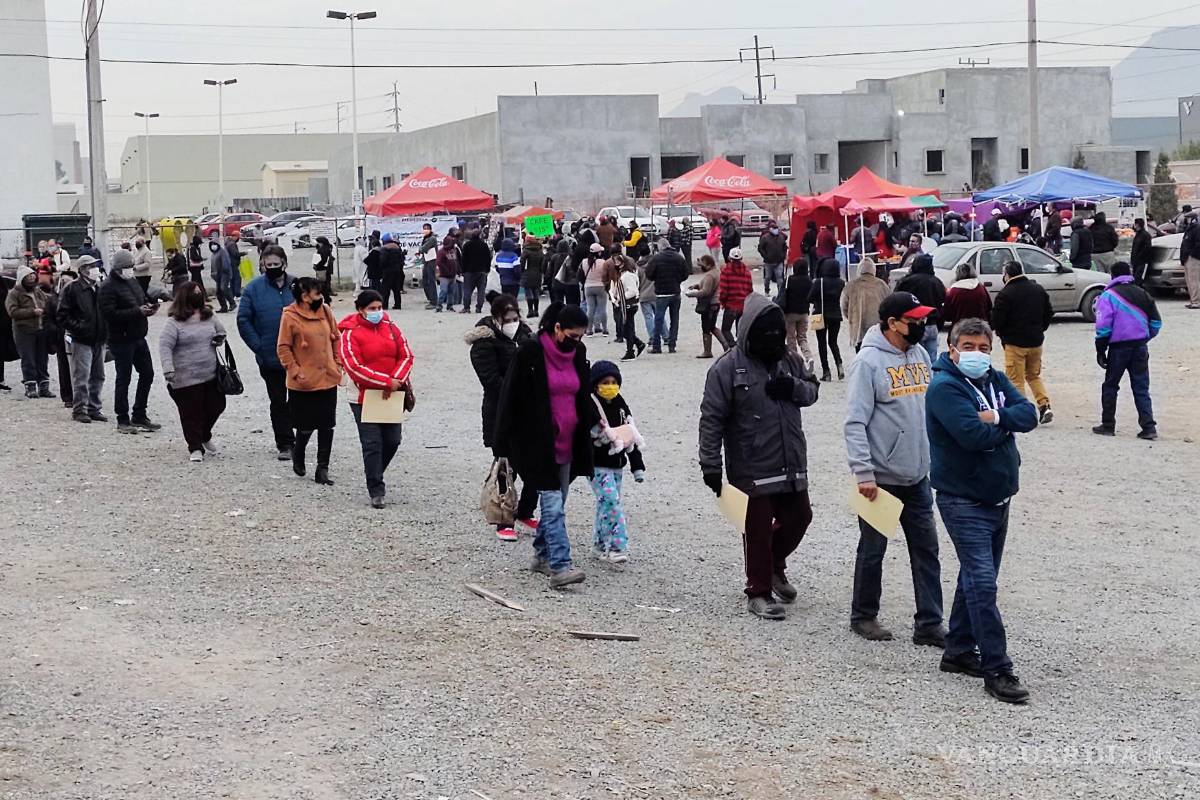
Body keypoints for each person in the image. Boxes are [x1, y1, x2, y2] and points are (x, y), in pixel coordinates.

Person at [927, 318, 1038, 704]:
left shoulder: (993, 378)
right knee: (983, 583)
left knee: (975, 578)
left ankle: (958, 649)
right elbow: (971, 436)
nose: (977, 354)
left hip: (998, 497)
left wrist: (996, 418)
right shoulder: (944, 387)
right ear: (953, 349)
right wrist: (1007, 424)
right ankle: (998, 668)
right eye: (969, 347)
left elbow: (1029, 414)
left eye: (984, 348)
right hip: (964, 500)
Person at [699, 293, 820, 620]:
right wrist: (711, 465)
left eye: (777, 334)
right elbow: (711, 419)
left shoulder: (789, 359)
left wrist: (793, 388)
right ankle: (759, 591)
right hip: (751, 464)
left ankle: (774, 564)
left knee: (800, 517)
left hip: (790, 459)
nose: (772, 340)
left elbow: (812, 391)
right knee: (757, 530)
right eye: (765, 334)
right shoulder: (726, 368)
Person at [845, 292, 944, 645]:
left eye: (923, 319)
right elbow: (855, 421)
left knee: (926, 549)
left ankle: (930, 623)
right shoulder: (867, 362)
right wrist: (863, 472)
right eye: (914, 320)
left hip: (917, 475)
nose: (922, 325)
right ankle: (863, 615)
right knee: (873, 550)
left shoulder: (920, 355)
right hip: (881, 478)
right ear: (892, 323)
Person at [493, 303, 594, 588]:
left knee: (556, 505)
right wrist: (501, 444)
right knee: (552, 504)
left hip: (568, 442)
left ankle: (541, 556)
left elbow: (583, 395)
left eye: (580, 337)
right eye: (572, 336)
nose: (576, 341)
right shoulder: (530, 352)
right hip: (535, 443)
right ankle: (560, 567)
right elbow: (509, 396)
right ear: (557, 328)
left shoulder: (578, 353)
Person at [467, 292, 539, 539]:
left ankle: (526, 511)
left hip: (529, 412)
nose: (512, 323)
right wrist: (519, 392)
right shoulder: (483, 343)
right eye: (507, 320)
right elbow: (491, 381)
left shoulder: (526, 336)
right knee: (505, 466)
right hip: (500, 412)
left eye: (515, 318)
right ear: (496, 318)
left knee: (535, 465)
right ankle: (503, 519)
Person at [338, 289, 414, 507]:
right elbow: (354, 366)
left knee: (392, 440)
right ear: (361, 310)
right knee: (372, 442)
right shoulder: (349, 334)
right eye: (372, 308)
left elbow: (406, 355)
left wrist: (396, 380)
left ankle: (374, 472)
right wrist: (385, 382)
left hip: (391, 393)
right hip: (363, 396)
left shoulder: (391, 327)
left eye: (379, 307)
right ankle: (376, 489)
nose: (377, 312)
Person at [277, 276, 342, 485]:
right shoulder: (290, 316)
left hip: (328, 377)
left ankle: (322, 469)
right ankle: (299, 451)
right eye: (317, 293)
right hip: (304, 381)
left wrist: (337, 363)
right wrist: (295, 371)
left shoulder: (326, 311)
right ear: (305, 297)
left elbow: (336, 337)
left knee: (327, 425)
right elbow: (283, 347)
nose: (321, 297)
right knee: (305, 425)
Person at [237, 245, 295, 460]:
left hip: (299, 356)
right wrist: (259, 346)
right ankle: (285, 443)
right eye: (267, 264)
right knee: (278, 400)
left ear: (284, 264)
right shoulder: (253, 289)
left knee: (299, 400)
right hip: (270, 356)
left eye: (275, 264)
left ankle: (300, 436)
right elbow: (243, 320)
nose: (272, 267)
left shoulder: (297, 285)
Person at [1093, 261, 1162, 440]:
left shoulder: (1108, 296)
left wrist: (1101, 350)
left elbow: (1103, 327)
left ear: (1112, 275)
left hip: (1118, 348)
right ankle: (1149, 427)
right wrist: (1144, 337)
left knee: (1110, 385)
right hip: (1140, 347)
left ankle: (1108, 425)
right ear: (1129, 274)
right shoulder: (1143, 294)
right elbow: (1156, 323)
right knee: (1141, 387)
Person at [159, 282, 227, 463]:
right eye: (194, 292)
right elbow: (165, 346)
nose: (198, 294)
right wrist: (168, 368)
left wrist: (219, 339)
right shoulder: (174, 322)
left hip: (210, 374)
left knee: (217, 406)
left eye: (199, 292)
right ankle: (195, 447)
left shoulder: (209, 315)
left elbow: (221, 332)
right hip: (185, 378)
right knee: (191, 414)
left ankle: (204, 435)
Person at [587, 360, 645, 564]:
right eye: (605, 382)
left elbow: (630, 434)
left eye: (614, 382)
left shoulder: (621, 405)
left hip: (617, 465)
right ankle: (617, 546)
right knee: (611, 502)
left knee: (606, 503)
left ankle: (599, 544)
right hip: (597, 465)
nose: (610, 386)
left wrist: (637, 466)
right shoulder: (590, 406)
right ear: (595, 384)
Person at [98, 251, 161, 434]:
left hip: (138, 335)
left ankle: (139, 414)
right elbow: (109, 314)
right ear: (118, 269)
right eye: (127, 267)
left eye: (131, 267)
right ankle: (122, 418)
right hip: (121, 339)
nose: (130, 270)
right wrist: (137, 312)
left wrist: (149, 307)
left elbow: (141, 299)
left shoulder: (132, 281)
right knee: (123, 378)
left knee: (147, 373)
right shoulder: (107, 287)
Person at [990, 261, 1054, 424]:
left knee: (1015, 380)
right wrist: (1040, 329)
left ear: (1007, 275)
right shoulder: (1038, 289)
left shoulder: (1005, 294)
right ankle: (1044, 405)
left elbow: (997, 320)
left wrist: (1002, 335)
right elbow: (1049, 312)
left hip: (1014, 343)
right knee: (1033, 375)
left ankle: (1023, 411)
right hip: (1036, 342)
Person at [57, 255, 107, 423]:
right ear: (83, 269)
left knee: (98, 376)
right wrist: (79, 328)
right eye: (92, 266)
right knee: (82, 376)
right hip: (81, 339)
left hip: (98, 338)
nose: (96, 269)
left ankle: (94, 408)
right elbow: (62, 315)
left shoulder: (98, 287)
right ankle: (79, 409)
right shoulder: (72, 289)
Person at [5, 266, 51, 399]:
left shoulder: (38, 291)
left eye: (33, 275)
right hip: (24, 331)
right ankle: (30, 387)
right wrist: (32, 312)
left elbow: (47, 302)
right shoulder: (14, 294)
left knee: (42, 359)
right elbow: (12, 312)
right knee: (28, 359)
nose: (32, 278)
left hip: (40, 329)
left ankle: (44, 387)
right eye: (28, 276)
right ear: (22, 278)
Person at [895, 253, 946, 361]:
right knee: (932, 360)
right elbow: (942, 302)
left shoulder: (907, 282)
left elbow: (897, 300)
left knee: (916, 359)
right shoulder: (937, 282)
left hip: (914, 324)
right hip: (933, 324)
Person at [645, 239, 689, 354]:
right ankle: (672, 345)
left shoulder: (656, 258)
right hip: (675, 291)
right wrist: (678, 280)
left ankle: (656, 346)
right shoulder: (679, 257)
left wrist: (657, 279)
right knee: (674, 319)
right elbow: (686, 273)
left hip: (661, 292)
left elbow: (649, 274)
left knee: (658, 319)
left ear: (660, 247)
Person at [841, 257, 890, 353]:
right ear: (873, 269)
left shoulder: (850, 286)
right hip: (879, 331)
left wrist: (853, 317)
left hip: (859, 330)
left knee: (861, 355)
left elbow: (844, 307)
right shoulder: (882, 285)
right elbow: (889, 305)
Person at [808, 257, 845, 381]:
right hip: (836, 314)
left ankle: (826, 372)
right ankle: (839, 364)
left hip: (819, 314)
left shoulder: (819, 282)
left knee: (822, 343)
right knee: (833, 342)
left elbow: (809, 298)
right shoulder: (841, 283)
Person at [686, 254, 727, 358]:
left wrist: (692, 294)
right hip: (716, 303)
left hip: (709, 304)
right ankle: (726, 345)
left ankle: (707, 351)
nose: (701, 267)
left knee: (706, 328)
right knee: (712, 326)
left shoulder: (709, 276)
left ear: (708, 265)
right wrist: (697, 286)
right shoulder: (717, 272)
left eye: (702, 265)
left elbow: (706, 292)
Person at [609, 250, 645, 361]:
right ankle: (637, 344)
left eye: (618, 261)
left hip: (628, 305)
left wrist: (620, 298)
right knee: (626, 328)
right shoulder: (622, 275)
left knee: (626, 328)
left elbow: (632, 291)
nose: (616, 264)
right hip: (624, 304)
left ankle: (631, 350)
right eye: (615, 262)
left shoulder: (628, 275)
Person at [717, 247, 753, 348]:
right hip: (743, 305)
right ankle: (741, 347)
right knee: (740, 330)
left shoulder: (726, 271)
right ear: (741, 258)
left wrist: (723, 302)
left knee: (725, 330)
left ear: (729, 258)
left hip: (731, 305)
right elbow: (750, 290)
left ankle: (733, 347)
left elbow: (723, 290)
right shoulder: (746, 272)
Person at [780, 259, 815, 362]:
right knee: (802, 338)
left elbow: (781, 295)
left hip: (790, 313)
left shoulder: (789, 280)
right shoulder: (809, 281)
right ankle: (809, 357)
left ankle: (795, 361)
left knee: (791, 338)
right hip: (804, 312)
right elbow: (812, 297)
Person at [943, 262, 993, 328]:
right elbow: (989, 307)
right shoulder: (981, 288)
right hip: (980, 327)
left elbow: (947, 314)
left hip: (960, 328)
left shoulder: (953, 291)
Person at [579, 242, 611, 336]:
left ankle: (589, 330)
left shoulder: (584, 262)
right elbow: (606, 275)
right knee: (602, 309)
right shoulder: (603, 262)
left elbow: (580, 275)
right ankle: (604, 329)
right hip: (600, 286)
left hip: (588, 287)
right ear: (599, 252)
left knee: (590, 309)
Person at [460, 227, 492, 314]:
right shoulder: (484, 245)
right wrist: (487, 269)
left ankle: (466, 307)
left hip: (469, 271)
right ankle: (479, 308)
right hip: (482, 271)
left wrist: (463, 270)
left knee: (467, 290)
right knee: (481, 290)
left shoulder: (467, 245)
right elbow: (488, 258)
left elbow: (463, 259)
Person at [757, 220, 788, 299]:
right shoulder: (765, 237)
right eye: (774, 228)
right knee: (767, 277)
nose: (775, 230)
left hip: (779, 261)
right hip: (768, 262)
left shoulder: (781, 237)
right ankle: (767, 290)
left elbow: (784, 247)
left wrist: (783, 256)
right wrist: (765, 256)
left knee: (779, 277)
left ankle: (780, 292)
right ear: (770, 229)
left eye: (776, 228)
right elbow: (760, 248)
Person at [377, 233, 405, 310]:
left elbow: (383, 261)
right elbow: (401, 260)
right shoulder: (397, 247)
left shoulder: (384, 248)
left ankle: (384, 305)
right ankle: (398, 305)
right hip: (397, 271)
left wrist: (381, 268)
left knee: (385, 289)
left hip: (388, 271)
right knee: (396, 289)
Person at [434, 233, 460, 313]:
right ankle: (439, 306)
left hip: (453, 275)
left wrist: (458, 270)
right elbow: (439, 262)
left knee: (451, 292)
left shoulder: (453, 251)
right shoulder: (441, 252)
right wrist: (446, 270)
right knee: (443, 291)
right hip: (444, 275)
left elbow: (456, 261)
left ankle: (450, 306)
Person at [520, 235, 545, 319]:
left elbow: (522, 262)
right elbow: (543, 262)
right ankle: (536, 310)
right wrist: (541, 271)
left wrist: (521, 271)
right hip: (537, 273)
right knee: (536, 291)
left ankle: (530, 310)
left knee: (528, 291)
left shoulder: (526, 251)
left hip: (528, 273)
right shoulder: (540, 250)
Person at [1179, 209, 1200, 308]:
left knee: (1194, 280)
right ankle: (1193, 300)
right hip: (1187, 258)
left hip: (1193, 258)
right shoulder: (1189, 229)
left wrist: (1192, 254)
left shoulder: (1197, 228)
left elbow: (1198, 244)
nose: (1185, 220)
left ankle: (1196, 301)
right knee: (1189, 281)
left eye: (1187, 218)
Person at [209, 235, 235, 313]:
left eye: (214, 244)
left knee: (223, 288)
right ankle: (223, 307)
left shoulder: (222, 252)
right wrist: (213, 274)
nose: (213, 246)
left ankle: (232, 303)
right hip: (217, 275)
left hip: (224, 273)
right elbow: (213, 265)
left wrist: (225, 271)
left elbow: (226, 263)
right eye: (212, 244)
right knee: (218, 292)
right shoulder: (213, 254)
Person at [417, 223, 440, 309]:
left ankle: (433, 301)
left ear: (430, 229)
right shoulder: (425, 238)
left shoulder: (432, 238)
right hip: (426, 261)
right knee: (425, 280)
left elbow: (423, 248)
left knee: (431, 281)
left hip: (431, 261)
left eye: (427, 228)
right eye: (424, 228)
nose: (425, 230)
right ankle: (430, 298)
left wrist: (421, 249)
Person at [1130, 218, 1153, 286]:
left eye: (1134, 224)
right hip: (1136, 262)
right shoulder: (1138, 235)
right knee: (1135, 278)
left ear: (1137, 225)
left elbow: (1146, 249)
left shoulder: (1145, 235)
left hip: (1142, 262)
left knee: (1139, 279)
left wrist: (1139, 257)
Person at [313, 236, 335, 302]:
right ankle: (328, 294)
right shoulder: (328, 248)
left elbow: (323, 259)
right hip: (327, 267)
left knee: (322, 283)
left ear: (321, 242)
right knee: (327, 281)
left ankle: (326, 297)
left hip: (322, 268)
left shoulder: (322, 250)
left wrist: (317, 265)